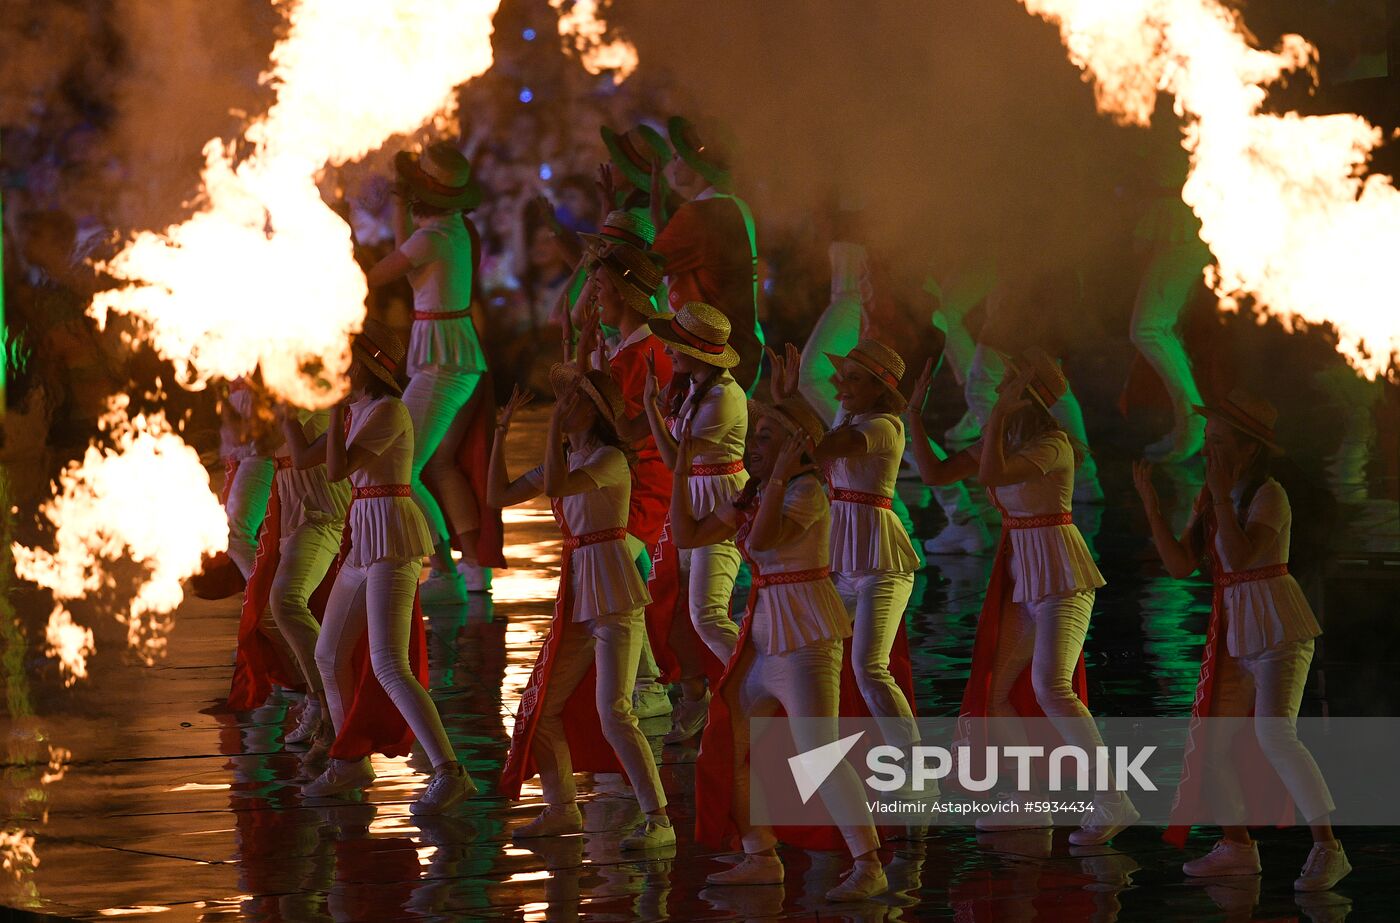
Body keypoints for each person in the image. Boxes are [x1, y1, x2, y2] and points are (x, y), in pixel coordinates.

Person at [905, 348, 1136, 845]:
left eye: (1005, 387)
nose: (994, 394)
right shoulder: (1004, 439)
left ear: (1025, 397)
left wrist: (999, 421)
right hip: (1024, 580)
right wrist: (912, 418)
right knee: (996, 693)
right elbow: (935, 475)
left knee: (1053, 687)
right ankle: (1031, 800)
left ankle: (1114, 797)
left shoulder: (1052, 444)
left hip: (1061, 575)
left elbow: (990, 476)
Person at [1137, 390, 1349, 891]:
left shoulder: (1268, 494)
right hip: (1237, 632)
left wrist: (1220, 497)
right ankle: (1237, 847)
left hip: (1277, 627)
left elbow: (1244, 555)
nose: (1207, 450)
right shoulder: (1214, 498)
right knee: (1210, 744)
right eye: (1207, 441)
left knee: (1275, 733)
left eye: (1218, 442)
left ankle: (1328, 848)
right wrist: (1153, 507)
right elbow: (1179, 565)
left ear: (1247, 449)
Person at [678, 395, 886, 901]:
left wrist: (774, 479)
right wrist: (682, 466)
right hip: (766, 633)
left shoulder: (807, 490)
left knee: (820, 753)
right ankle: (760, 856)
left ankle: (869, 864)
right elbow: (687, 535)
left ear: (797, 447)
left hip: (806, 635)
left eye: (766, 436)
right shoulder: (756, 493)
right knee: (731, 742)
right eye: (754, 435)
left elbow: (767, 539)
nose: (753, 445)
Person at [492, 366, 674, 851]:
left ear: (591, 408)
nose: (560, 405)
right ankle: (561, 807)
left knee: (615, 712)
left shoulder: (610, 458)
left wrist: (551, 428)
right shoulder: (574, 456)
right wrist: (500, 432)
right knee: (543, 708)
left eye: (569, 399)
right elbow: (497, 495)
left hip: (611, 585)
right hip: (578, 589)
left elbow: (555, 486)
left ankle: (659, 820)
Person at [303, 321, 476, 815]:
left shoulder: (388, 410)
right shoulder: (362, 408)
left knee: (388, 663)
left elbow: (336, 469)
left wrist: (334, 416)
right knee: (328, 653)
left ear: (364, 365)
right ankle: (351, 761)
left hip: (392, 536)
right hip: (364, 535)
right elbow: (311, 460)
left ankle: (450, 771)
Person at [771, 338, 919, 748]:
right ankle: (823, 752)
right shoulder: (849, 418)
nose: (842, 387)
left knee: (870, 667)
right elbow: (814, 447)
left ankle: (916, 764)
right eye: (842, 378)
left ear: (879, 389)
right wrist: (790, 401)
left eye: (854, 380)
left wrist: (790, 401)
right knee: (812, 651)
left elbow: (819, 447)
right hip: (844, 565)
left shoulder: (884, 427)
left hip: (882, 566)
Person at [366, 141, 490, 600]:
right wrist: (401, 205)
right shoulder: (449, 228)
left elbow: (379, 274)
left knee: (401, 467)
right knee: (435, 464)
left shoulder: (434, 236)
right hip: (448, 359)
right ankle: (468, 568)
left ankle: (445, 570)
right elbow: (406, 254)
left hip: (444, 363)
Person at [572, 214, 674, 721]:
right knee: (622, 588)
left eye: (601, 289)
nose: (595, 299)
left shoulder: (646, 354)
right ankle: (648, 684)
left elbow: (629, 429)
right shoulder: (629, 348)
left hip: (644, 485)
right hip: (629, 481)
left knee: (613, 585)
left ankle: (650, 686)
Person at [642, 302, 750, 742]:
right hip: (695, 498)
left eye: (676, 346)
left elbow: (674, 459)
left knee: (706, 613)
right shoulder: (698, 387)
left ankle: (754, 686)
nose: (668, 351)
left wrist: (650, 403)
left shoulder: (725, 396)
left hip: (720, 501)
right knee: (676, 604)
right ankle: (698, 698)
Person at [651, 117, 765, 395]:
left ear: (696, 166)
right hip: (741, 345)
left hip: (714, 356)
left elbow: (646, 267)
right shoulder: (736, 206)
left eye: (678, 156)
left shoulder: (698, 215)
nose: (672, 163)